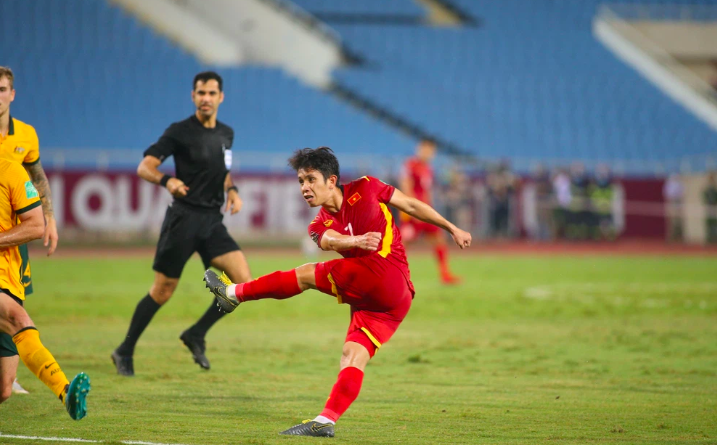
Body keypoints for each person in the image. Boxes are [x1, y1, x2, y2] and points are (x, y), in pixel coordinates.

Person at [203, 147, 472, 437]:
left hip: (386, 274)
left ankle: (233, 294)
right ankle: (326, 420)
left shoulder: (367, 186)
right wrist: (353, 239)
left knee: (306, 274)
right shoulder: (318, 224)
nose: (305, 187)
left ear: (331, 181)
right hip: (392, 302)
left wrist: (451, 227)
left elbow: (411, 205)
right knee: (352, 355)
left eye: (310, 179)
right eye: (300, 182)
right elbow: (329, 240)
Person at [111, 71, 252, 376]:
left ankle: (196, 333)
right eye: (201, 93)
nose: (206, 98)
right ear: (193, 96)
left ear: (221, 97)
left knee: (241, 280)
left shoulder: (227, 133)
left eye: (212, 93)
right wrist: (167, 181)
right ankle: (124, 350)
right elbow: (144, 167)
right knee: (162, 291)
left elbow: (222, 169)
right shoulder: (179, 132)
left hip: (213, 221)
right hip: (184, 219)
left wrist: (232, 190)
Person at [0, 158, 90, 419]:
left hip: (9, 280)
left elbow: (36, 225)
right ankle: (65, 392)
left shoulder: (10, 171)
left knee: (4, 388)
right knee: (18, 319)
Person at [0, 66, 60, 396]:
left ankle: (8, 371)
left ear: (12, 94)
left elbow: (37, 178)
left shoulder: (26, 135)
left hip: (15, 233)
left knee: (14, 299)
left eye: (2, 89)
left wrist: (49, 218)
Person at [399, 139, 460, 284]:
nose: (428, 153)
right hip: (413, 211)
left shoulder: (428, 168)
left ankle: (445, 274)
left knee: (438, 239)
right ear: (419, 149)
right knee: (401, 244)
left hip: (425, 210)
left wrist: (429, 209)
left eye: (431, 151)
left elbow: (426, 191)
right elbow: (406, 186)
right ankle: (392, 274)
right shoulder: (410, 165)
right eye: (425, 149)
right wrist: (413, 210)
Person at [704, 172, 717, 244]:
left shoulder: (714, 189)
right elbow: (704, 197)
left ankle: (714, 238)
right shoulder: (707, 189)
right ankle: (709, 239)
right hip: (708, 207)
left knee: (714, 224)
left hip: (714, 208)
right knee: (708, 223)